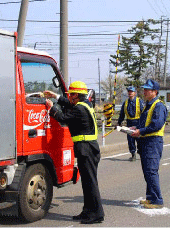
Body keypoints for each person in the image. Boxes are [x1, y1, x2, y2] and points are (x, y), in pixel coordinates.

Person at [44, 81, 104, 224]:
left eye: (71, 94)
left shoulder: (79, 109)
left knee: (91, 184)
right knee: (87, 183)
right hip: (88, 148)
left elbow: (63, 118)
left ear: (76, 95)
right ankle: (88, 211)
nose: (69, 97)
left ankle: (97, 214)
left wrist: (52, 108)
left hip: (87, 149)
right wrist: (56, 96)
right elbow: (69, 104)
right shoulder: (85, 104)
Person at [131, 79, 167, 209]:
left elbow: (156, 125)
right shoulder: (148, 105)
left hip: (153, 142)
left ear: (155, 92)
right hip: (146, 142)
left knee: (151, 171)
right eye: (144, 89)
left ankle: (157, 200)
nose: (144, 91)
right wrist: (136, 127)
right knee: (147, 171)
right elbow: (146, 123)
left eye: (147, 90)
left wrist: (140, 131)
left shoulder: (158, 106)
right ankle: (150, 198)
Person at [117, 86, 144, 161]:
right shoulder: (125, 102)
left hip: (138, 122)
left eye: (131, 92)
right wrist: (119, 123)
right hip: (129, 122)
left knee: (139, 139)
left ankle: (141, 153)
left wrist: (143, 123)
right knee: (130, 140)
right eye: (129, 92)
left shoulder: (139, 101)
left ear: (135, 93)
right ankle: (133, 154)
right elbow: (122, 114)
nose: (130, 93)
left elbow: (144, 113)